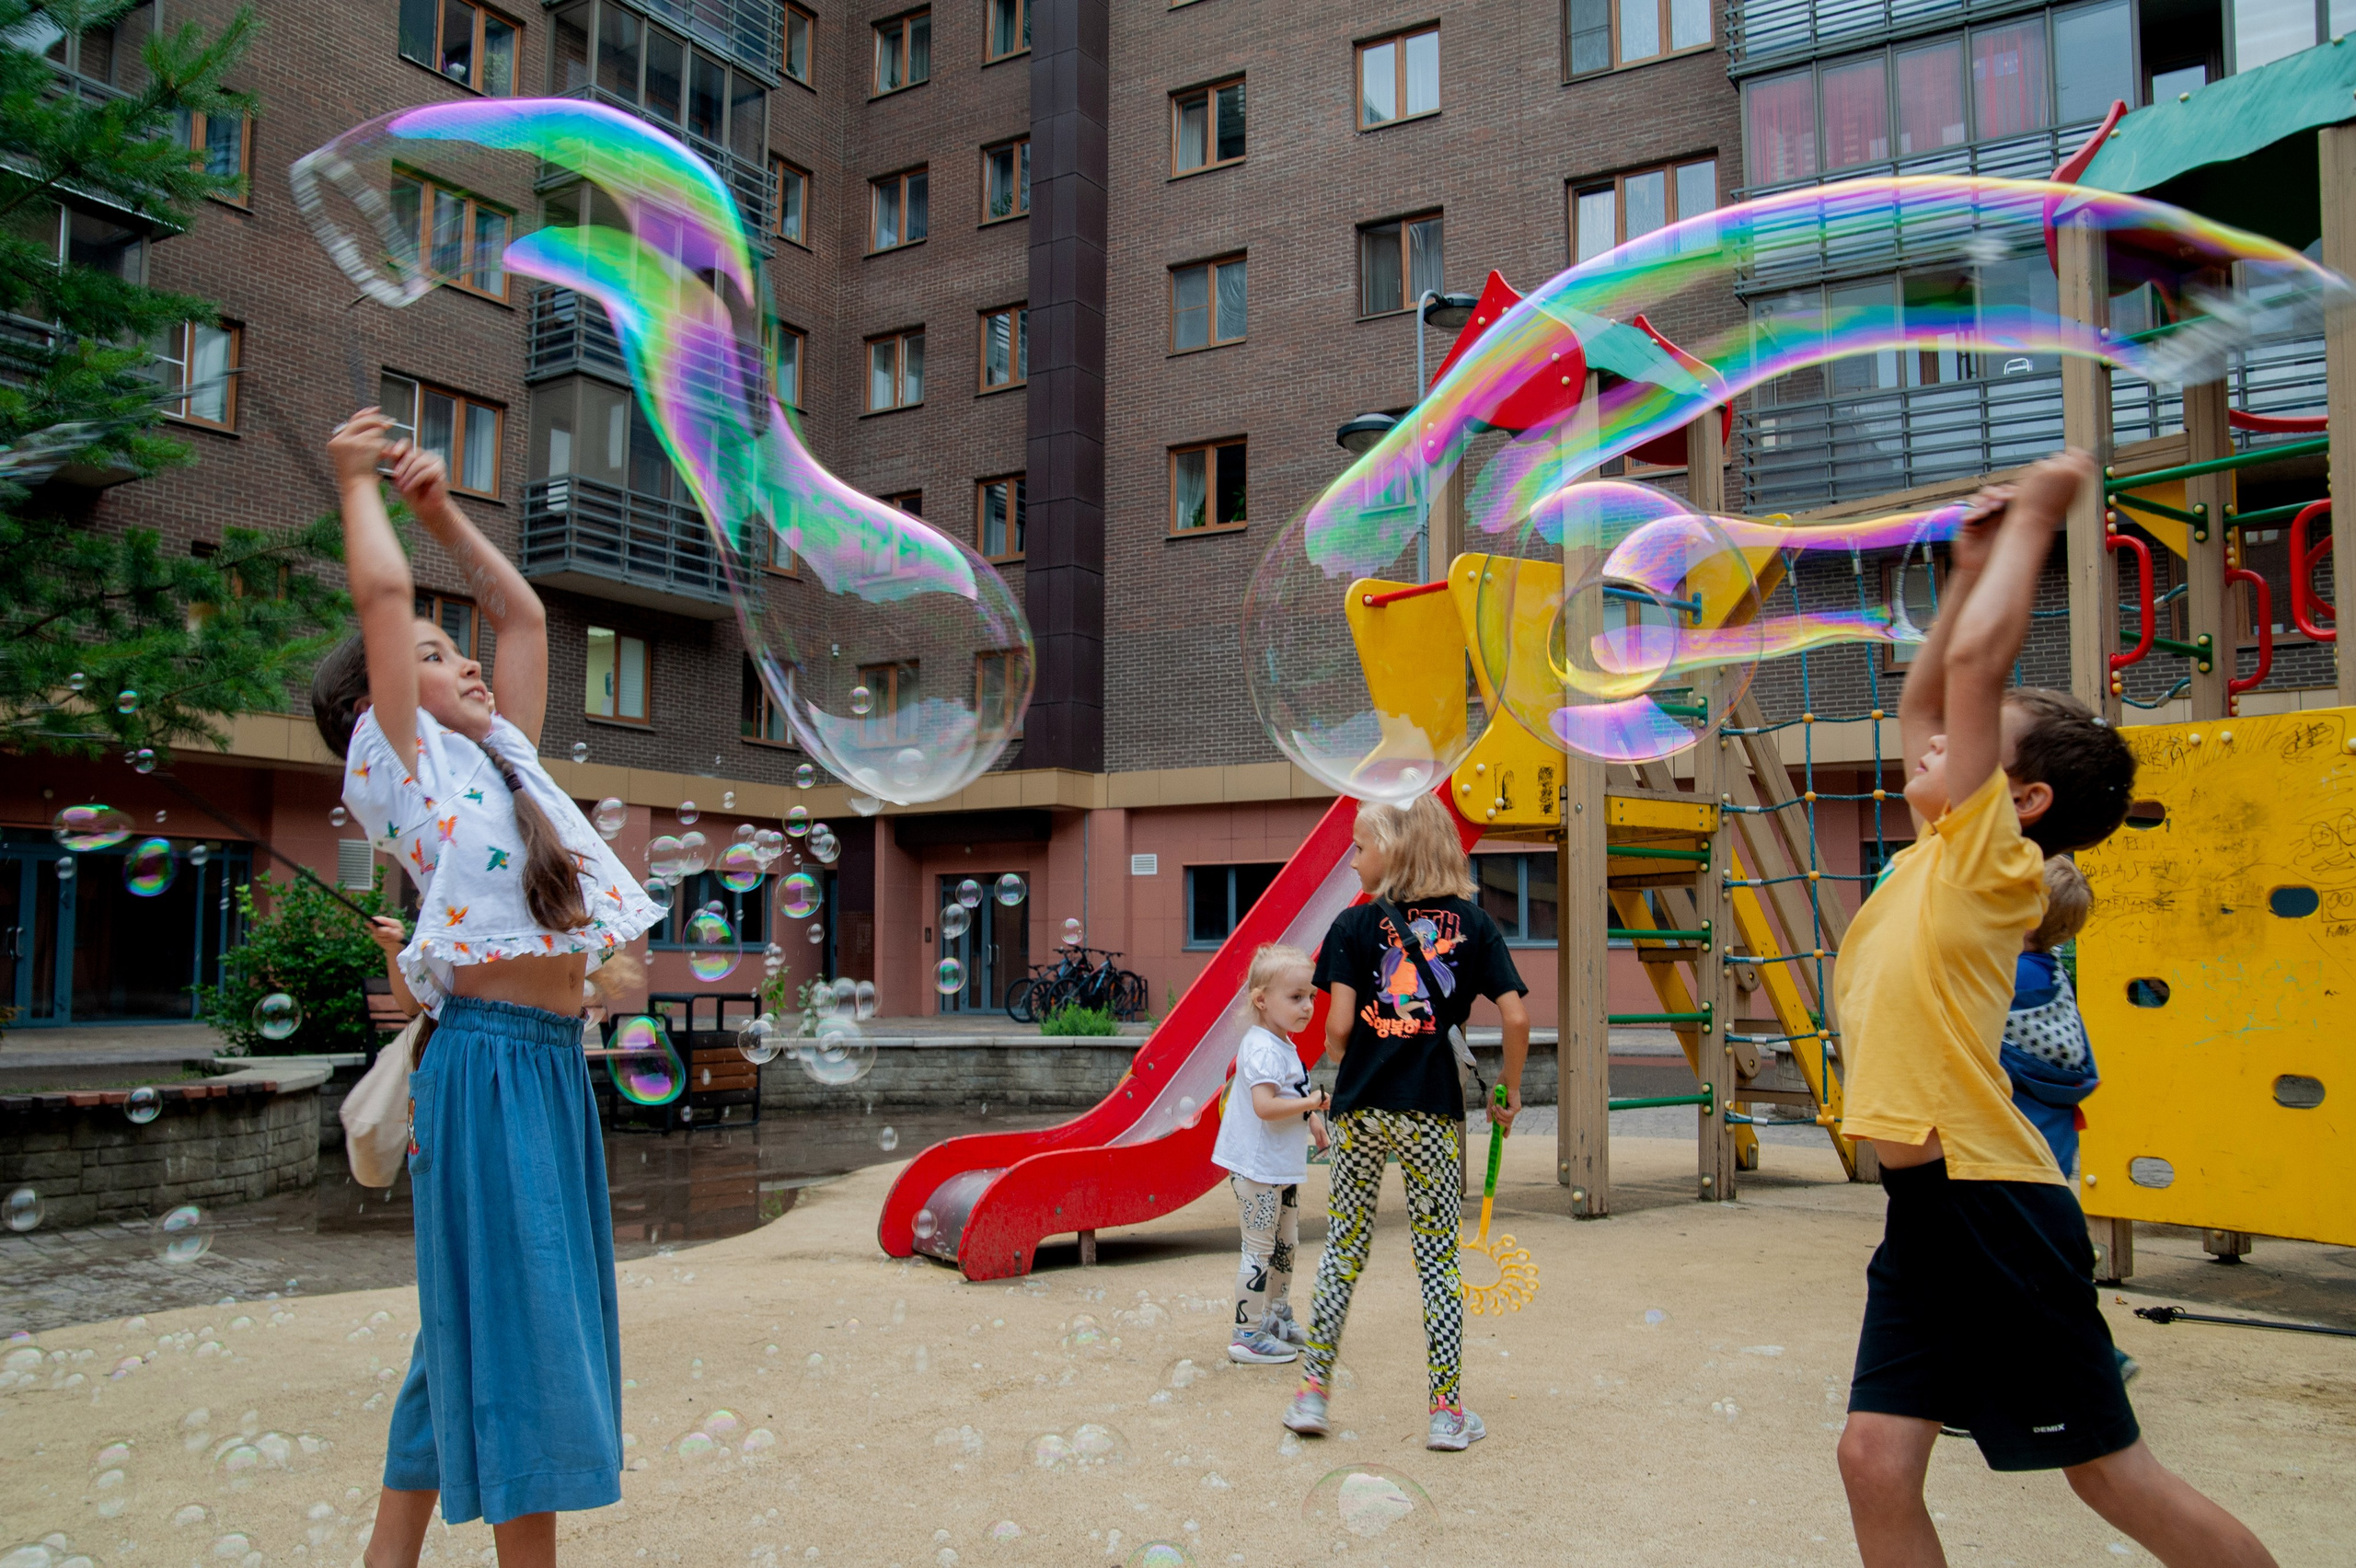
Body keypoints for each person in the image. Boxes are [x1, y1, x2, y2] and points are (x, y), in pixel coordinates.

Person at [1831, 451, 2275, 1568]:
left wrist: (2035, 521)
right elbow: (1931, 694)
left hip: (1994, 1210)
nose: (1930, 745)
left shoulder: (1992, 864)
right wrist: (1969, 563)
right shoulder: (1937, 850)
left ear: (2019, 800)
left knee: (2107, 1476)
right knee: (1872, 1460)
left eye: (1968, 750)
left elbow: (1976, 672)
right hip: (1928, 1213)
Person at [318, 408, 664, 1568]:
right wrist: (355, 485)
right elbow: (378, 609)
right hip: (487, 1060)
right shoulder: (404, 763)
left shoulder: (501, 755)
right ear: (371, 716)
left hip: (542, 1070)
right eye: (430, 654)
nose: (460, 659)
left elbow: (520, 612)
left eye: (449, 650)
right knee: (519, 1336)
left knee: (468, 1329)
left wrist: (440, 514)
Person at [1286, 793, 1530, 1452]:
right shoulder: (1475, 925)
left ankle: (1313, 1394)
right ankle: (1446, 1413)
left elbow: (1335, 1033)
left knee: (1344, 1248)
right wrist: (1506, 1088)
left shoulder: (1352, 926)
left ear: (1396, 848)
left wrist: (1362, 1040)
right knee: (1437, 1260)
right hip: (1429, 1112)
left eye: (1361, 845)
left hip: (1360, 1108)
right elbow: (1514, 1018)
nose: (1354, 857)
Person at [1209, 942, 1330, 1366]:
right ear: (1262, 1000)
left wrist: (1311, 1119)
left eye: (1311, 996)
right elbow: (1265, 1105)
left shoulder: (1284, 1044)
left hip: (1282, 1166)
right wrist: (1313, 1104)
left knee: (1286, 1244)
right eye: (1296, 997)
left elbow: (1290, 1093)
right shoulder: (1260, 1047)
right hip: (1258, 1168)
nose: (1308, 1006)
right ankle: (1246, 1333)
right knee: (1259, 1249)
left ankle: (1275, 1317)